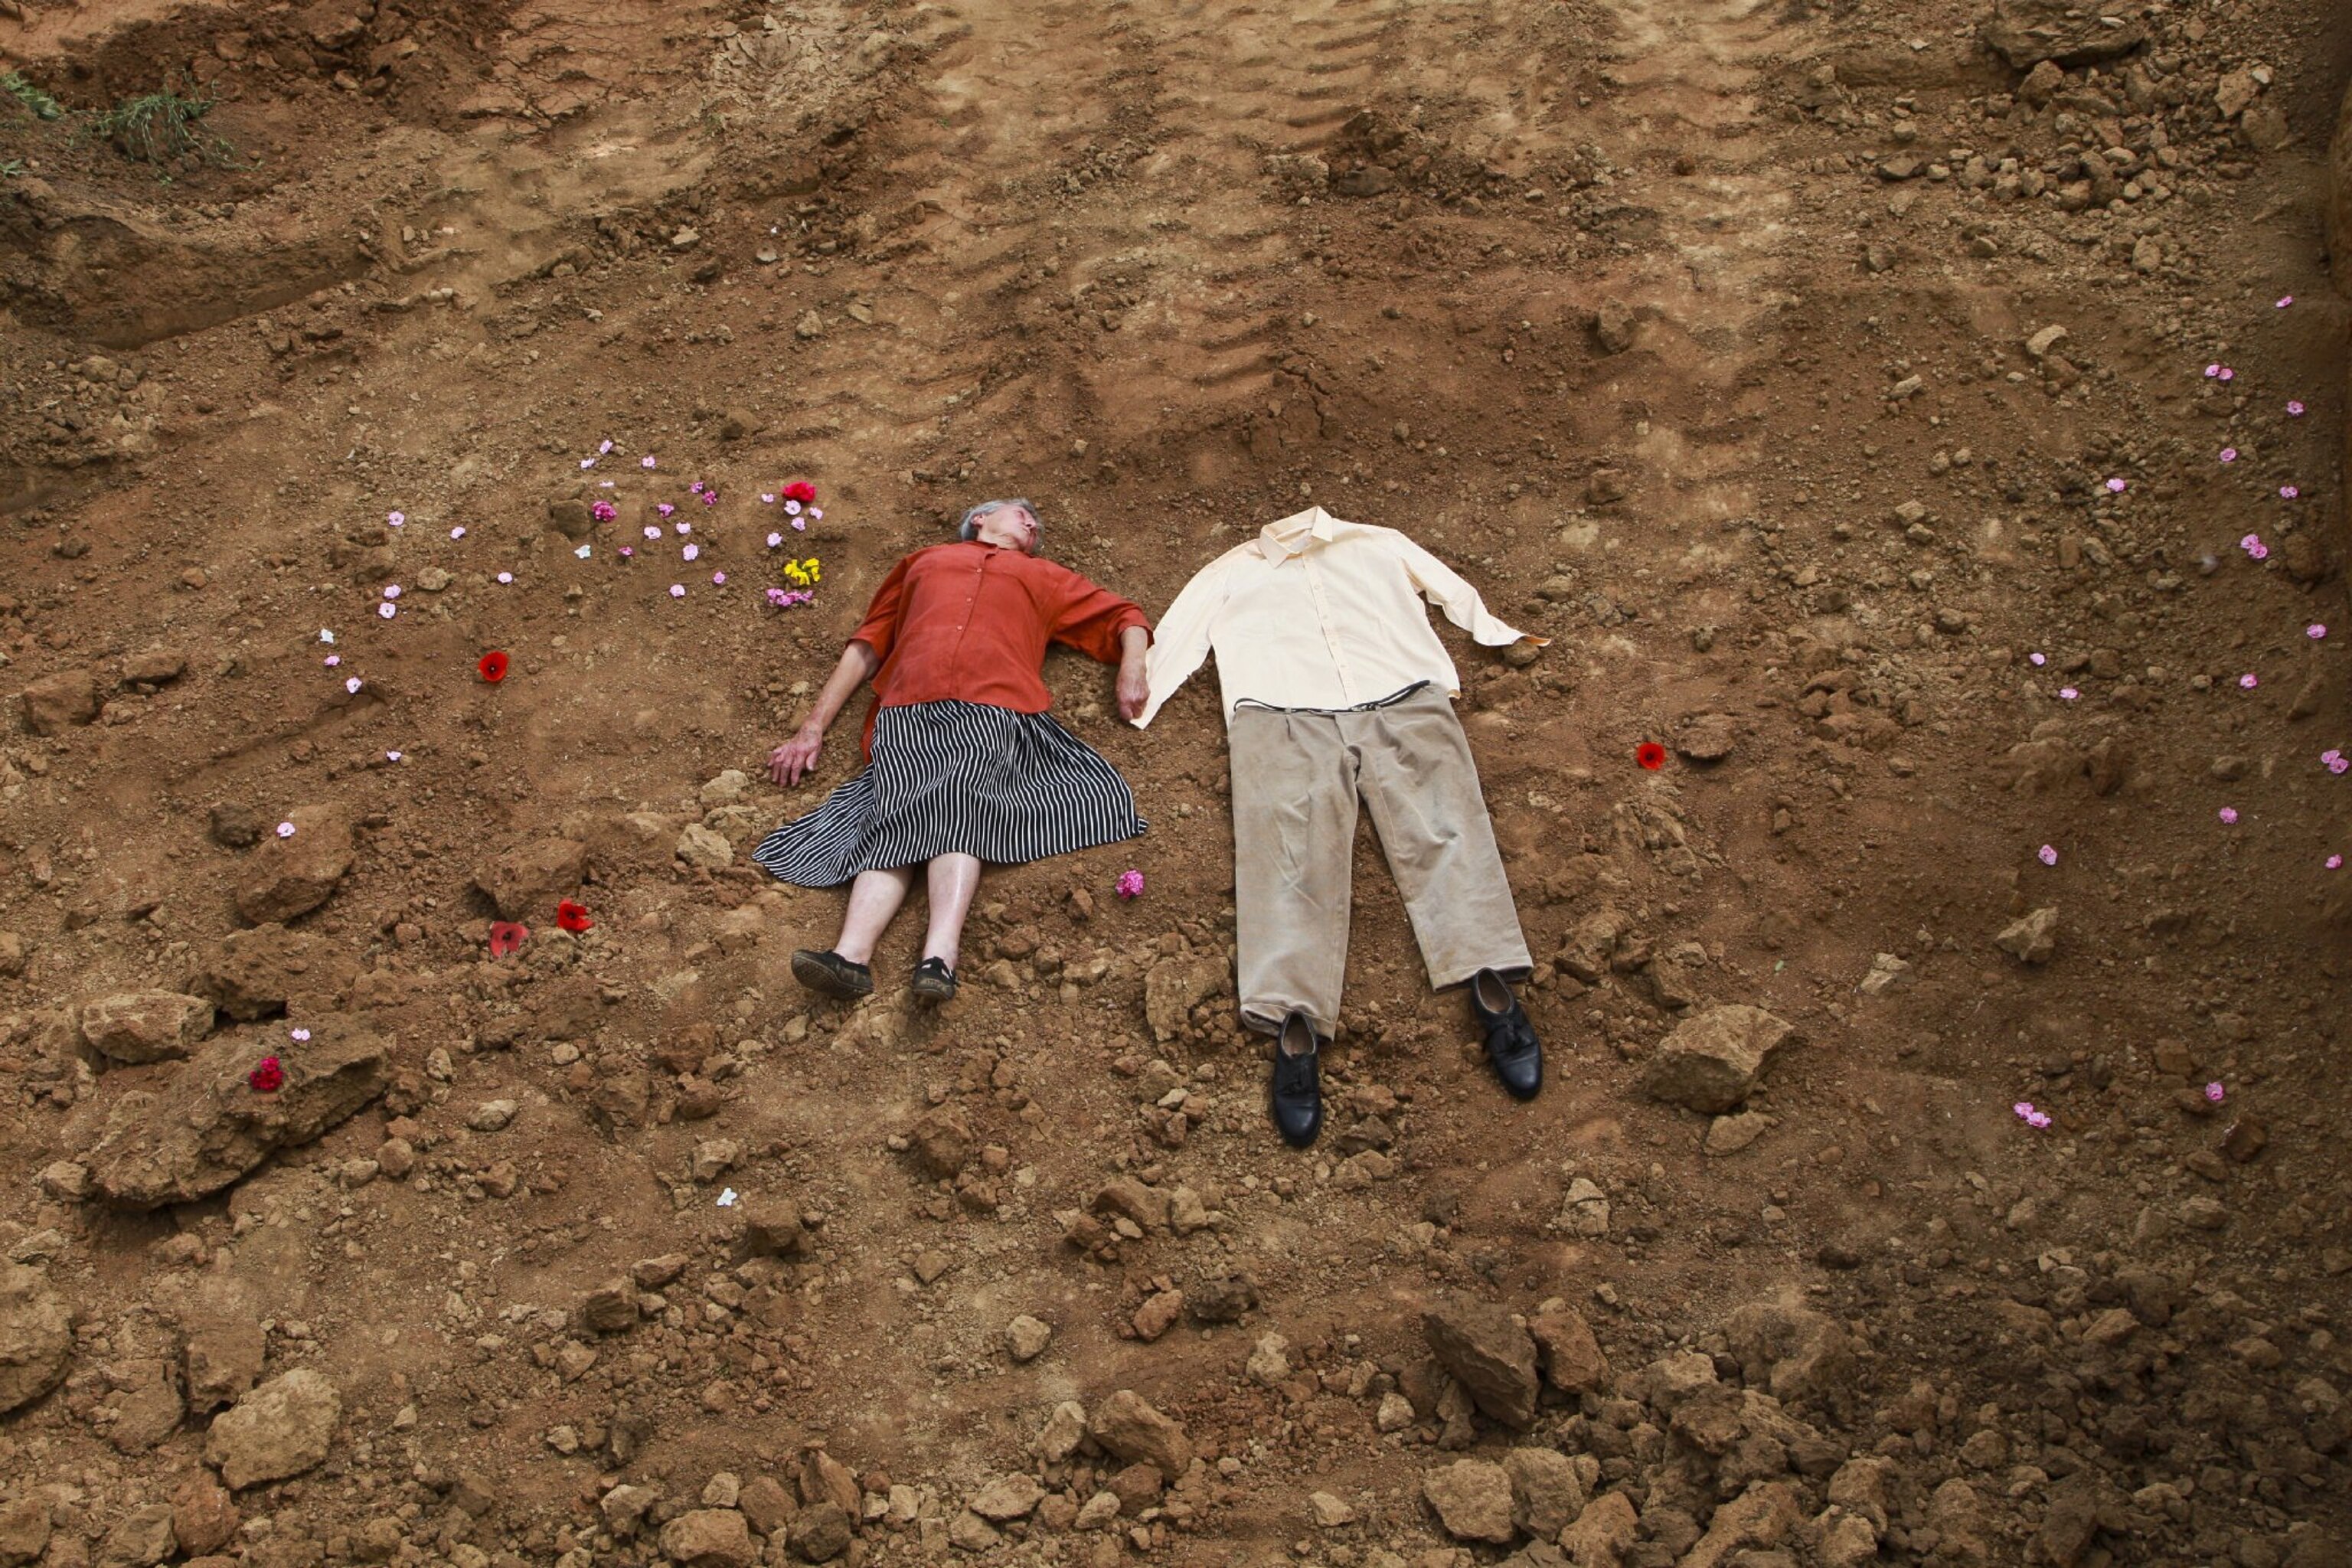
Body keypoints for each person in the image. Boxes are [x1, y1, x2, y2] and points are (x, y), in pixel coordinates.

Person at [1135, 505, 1545, 1147]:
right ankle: (1293, 1024)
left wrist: (1490, 629)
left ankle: (1490, 980)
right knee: (1288, 866)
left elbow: (1444, 584)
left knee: (1447, 831)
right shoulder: (1227, 573)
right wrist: (1144, 696)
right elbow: (1180, 636)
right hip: (1281, 719)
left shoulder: (1379, 542)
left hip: (1404, 699)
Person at [756, 499, 1151, 1005]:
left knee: (962, 799)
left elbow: (1125, 616)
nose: (1032, 523)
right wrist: (812, 728)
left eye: (1036, 523)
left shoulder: (1046, 576)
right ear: (979, 520)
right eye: (1020, 514)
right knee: (897, 810)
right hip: (908, 706)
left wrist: (1132, 668)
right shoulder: (924, 562)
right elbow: (867, 646)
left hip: (994, 703)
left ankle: (939, 959)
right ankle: (849, 958)